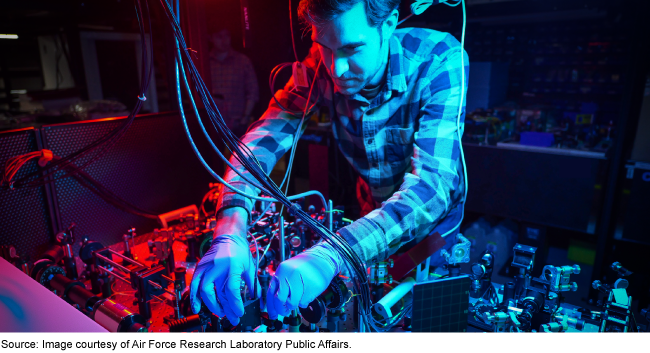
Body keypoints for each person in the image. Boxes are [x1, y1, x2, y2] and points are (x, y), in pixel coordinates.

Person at [190, 0, 468, 325]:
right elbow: (264, 140)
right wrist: (230, 227)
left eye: (352, 49)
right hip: (370, 217)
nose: (336, 70)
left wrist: (332, 253)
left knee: (421, 317)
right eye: (325, 47)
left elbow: (431, 189)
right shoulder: (318, 68)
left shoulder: (440, 60)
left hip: (432, 232)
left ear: (390, 22)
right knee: (368, 311)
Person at [209, 28, 259, 138]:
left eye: (226, 35)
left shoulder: (242, 61)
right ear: (211, 38)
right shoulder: (205, 62)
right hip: (212, 123)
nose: (224, 40)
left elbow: (253, 91)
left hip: (237, 124)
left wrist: (245, 118)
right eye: (219, 36)